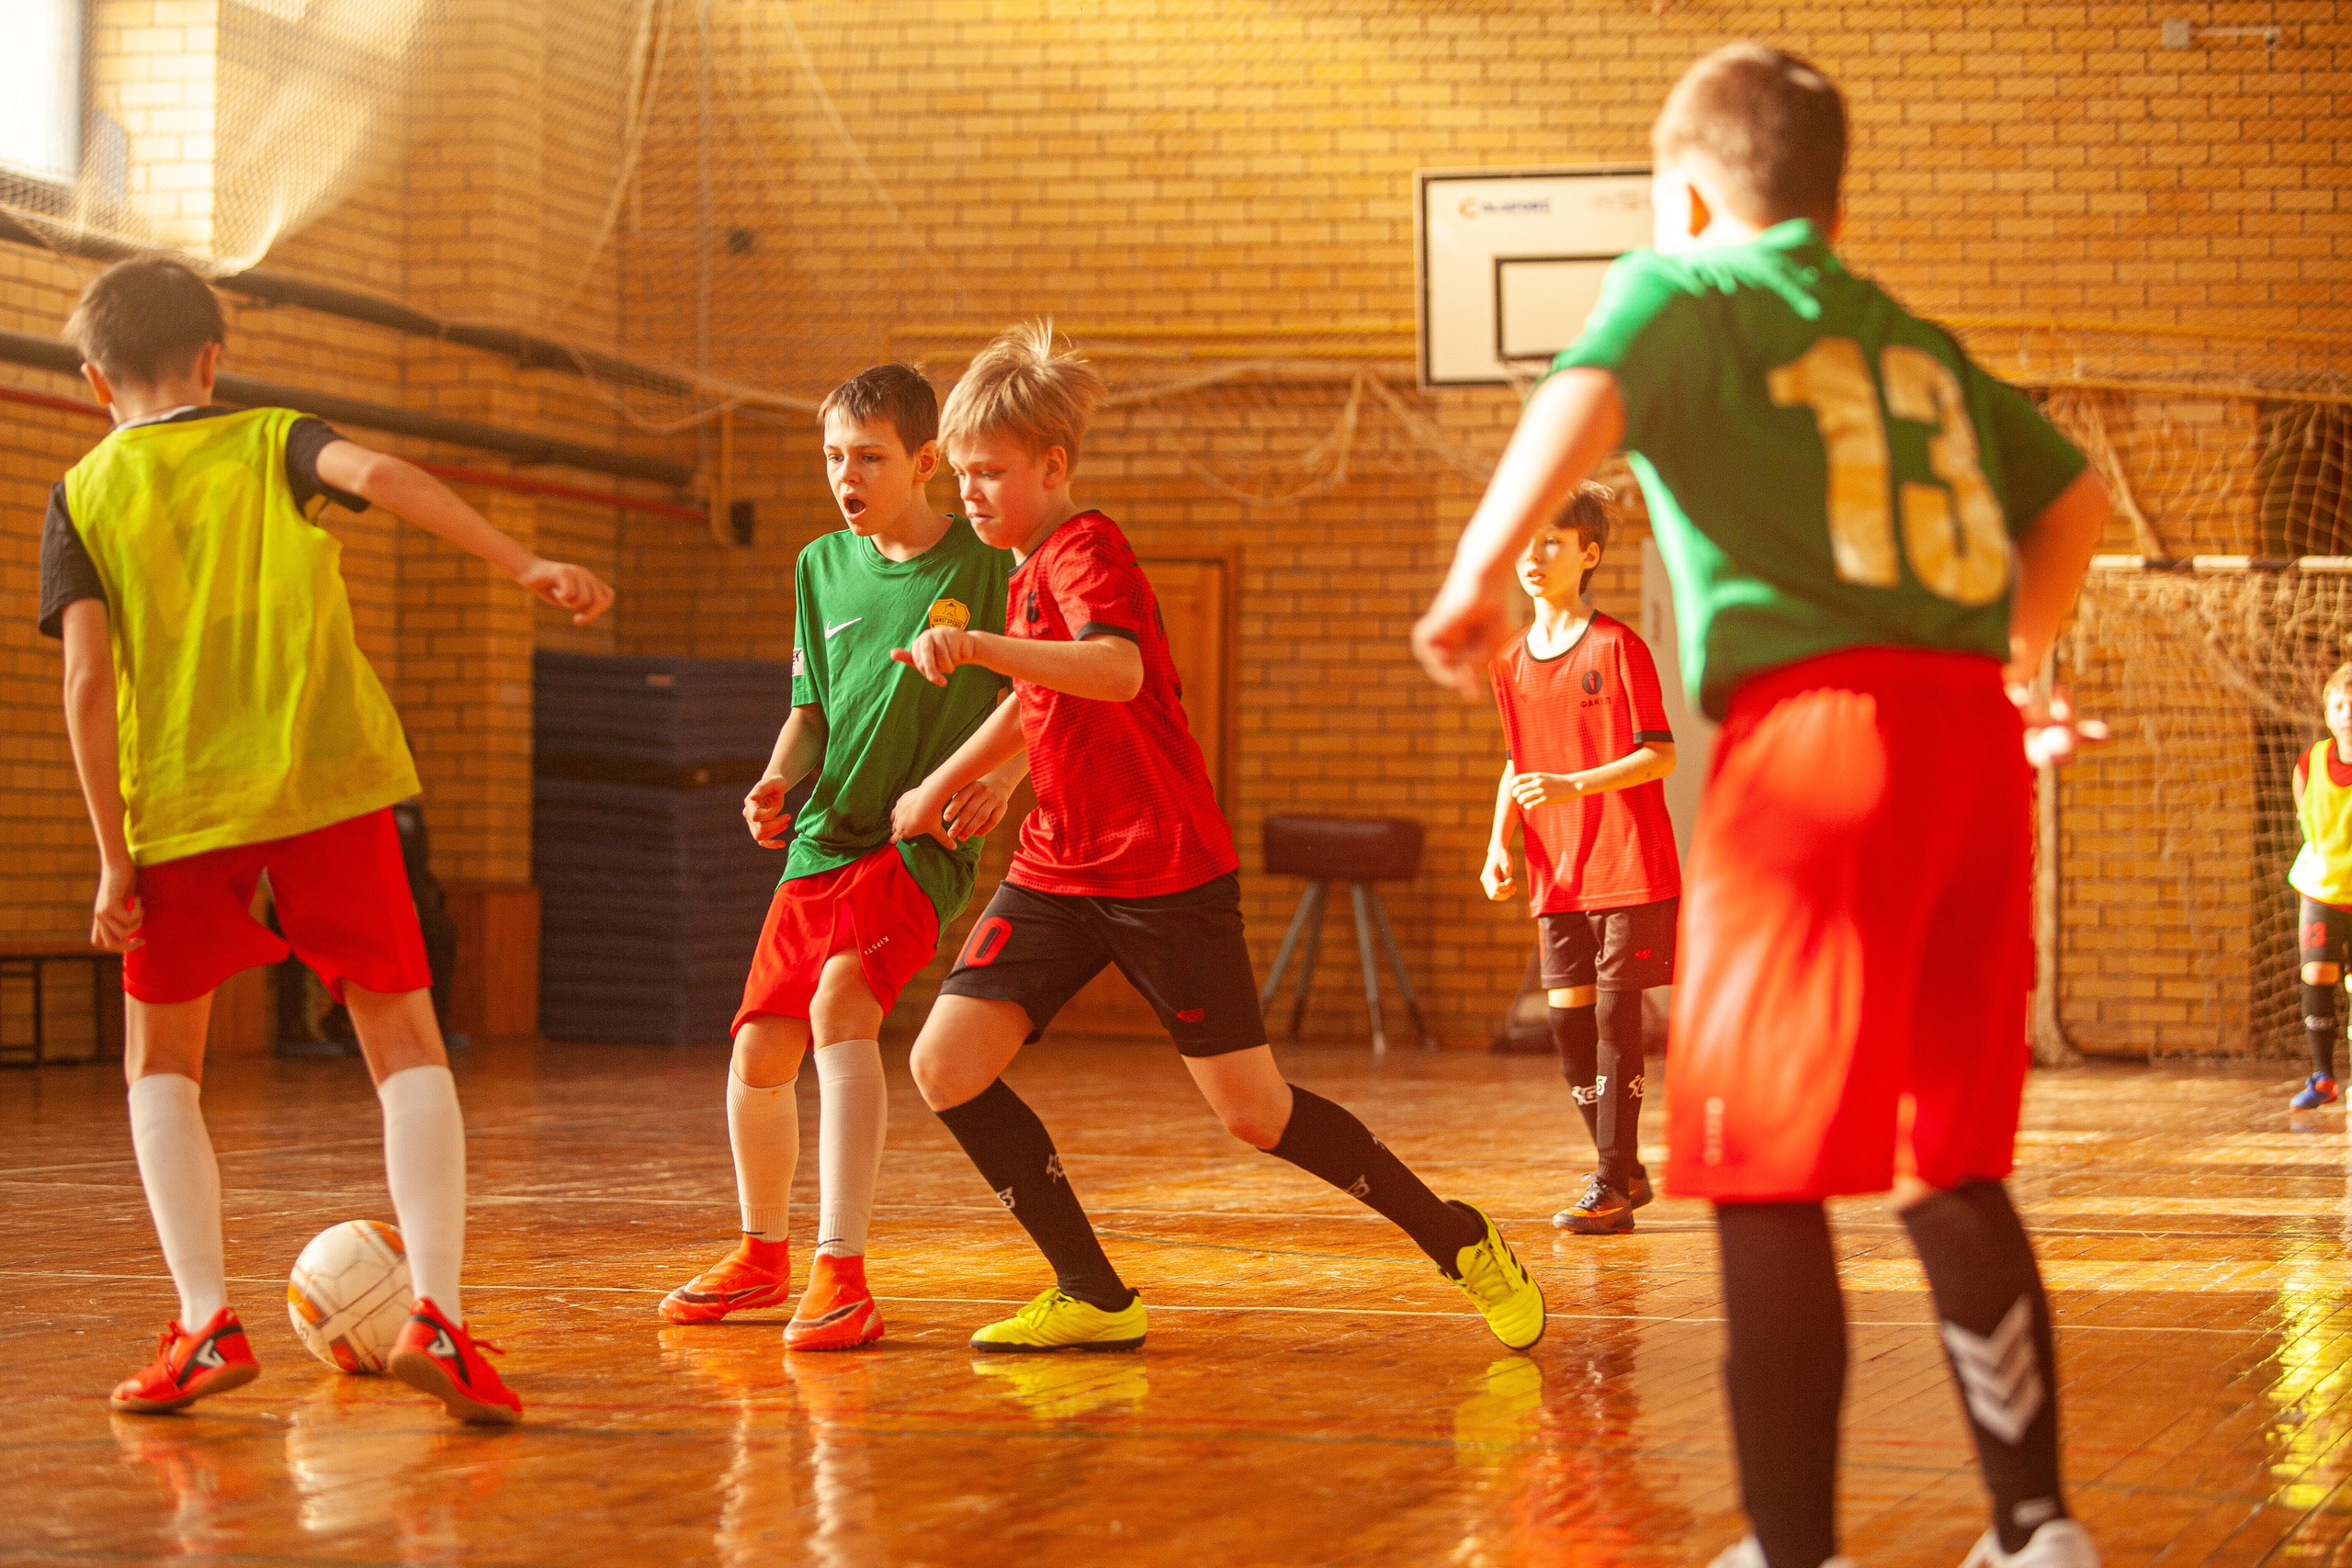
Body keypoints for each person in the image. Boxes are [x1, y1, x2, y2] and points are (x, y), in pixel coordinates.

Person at [1411, 45, 2112, 1568]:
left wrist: (1475, 578)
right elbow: (2070, 501)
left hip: (1824, 750)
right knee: (1948, 1155)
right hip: (1971, 755)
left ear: (1683, 193)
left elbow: (1582, 391)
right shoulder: (1908, 337)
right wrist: (2015, 664)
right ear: (1834, 197)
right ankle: (2037, 1527)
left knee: (1761, 1162)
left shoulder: (1690, 290)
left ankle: (1794, 1549)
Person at [888, 322, 1546, 1357]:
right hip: (1058, 867)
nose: (970, 492)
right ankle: (1093, 1293)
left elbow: (1114, 672)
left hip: (1162, 873)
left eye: (990, 472)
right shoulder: (1023, 572)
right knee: (945, 1065)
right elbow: (1044, 696)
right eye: (962, 473)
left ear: (1052, 466)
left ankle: (1457, 1239)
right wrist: (958, 778)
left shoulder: (1085, 548)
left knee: (1254, 1114)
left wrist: (968, 646)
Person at [41, 256, 615, 1424]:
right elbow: (387, 473)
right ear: (214, 358)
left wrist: (112, 852)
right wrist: (521, 561)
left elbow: (88, 681)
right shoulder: (274, 438)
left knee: (162, 1066)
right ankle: (440, 1321)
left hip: (181, 805)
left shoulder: (83, 490)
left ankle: (204, 1320)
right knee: (405, 1039)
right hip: (329, 780)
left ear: (96, 380)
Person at [660, 365, 1024, 1351]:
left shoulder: (990, 564)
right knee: (758, 1050)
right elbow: (808, 713)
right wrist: (777, 780)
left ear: (925, 462)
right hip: (825, 835)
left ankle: (844, 1272)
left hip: (922, 834)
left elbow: (1047, 689)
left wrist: (1010, 774)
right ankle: (760, 1255)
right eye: (832, 457)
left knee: (840, 1009)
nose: (845, 475)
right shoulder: (819, 565)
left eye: (867, 457)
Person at [1480, 483, 1678, 1235]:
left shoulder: (1619, 646)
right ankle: (1623, 1162)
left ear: (1588, 554)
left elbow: (1659, 755)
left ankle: (1610, 1184)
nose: (1534, 557)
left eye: (1553, 543)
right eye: (1526, 543)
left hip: (1628, 865)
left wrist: (1575, 784)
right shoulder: (1508, 663)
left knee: (1615, 1024)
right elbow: (1515, 759)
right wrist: (1498, 840)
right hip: (1556, 871)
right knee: (1568, 1028)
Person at [2290, 662, 2352, 1110]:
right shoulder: (2310, 762)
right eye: (2340, 704)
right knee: (2317, 975)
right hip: (2321, 890)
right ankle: (2323, 1078)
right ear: (2328, 713)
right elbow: (2306, 816)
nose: (2348, 712)